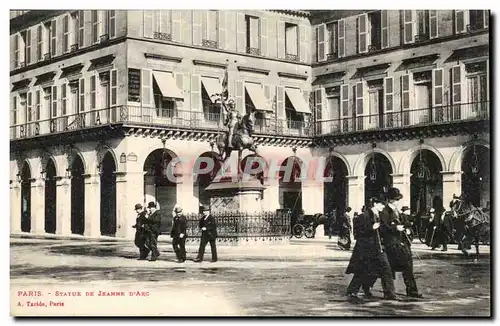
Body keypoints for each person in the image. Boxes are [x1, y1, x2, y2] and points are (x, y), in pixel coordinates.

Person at [345, 196, 397, 302]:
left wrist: (394, 228)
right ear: (375, 204)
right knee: (363, 270)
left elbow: (385, 228)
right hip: (366, 248)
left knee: (386, 269)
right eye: (381, 205)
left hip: (379, 248)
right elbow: (358, 233)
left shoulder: (381, 216)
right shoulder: (364, 216)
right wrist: (371, 228)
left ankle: (390, 293)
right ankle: (353, 290)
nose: (383, 207)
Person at [379, 187, 423, 299]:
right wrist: (395, 229)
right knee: (388, 270)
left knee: (408, 268)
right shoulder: (384, 212)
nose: (399, 202)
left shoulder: (398, 211)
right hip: (391, 245)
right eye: (397, 200)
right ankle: (389, 293)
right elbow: (383, 228)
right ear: (391, 200)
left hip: (402, 245)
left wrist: (408, 229)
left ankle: (412, 291)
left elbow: (406, 222)